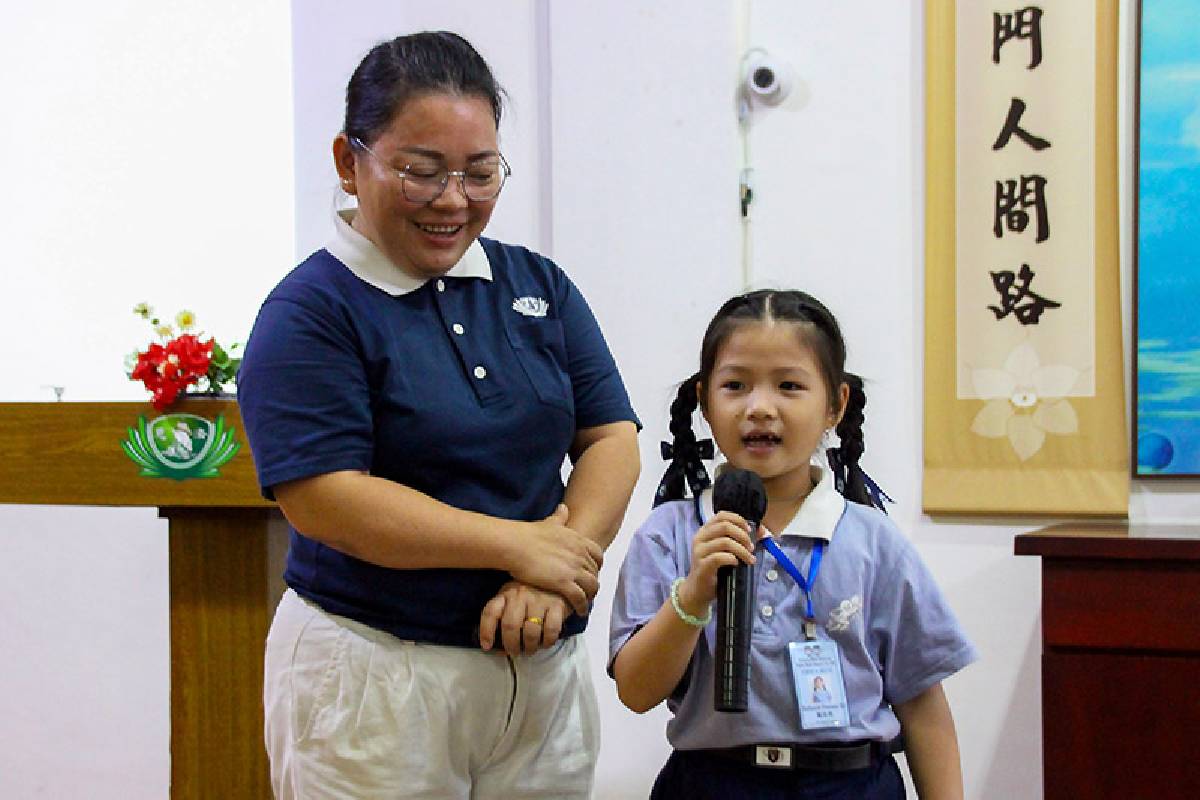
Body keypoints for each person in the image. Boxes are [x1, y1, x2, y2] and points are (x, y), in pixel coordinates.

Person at [238, 31, 640, 799]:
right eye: (421, 171)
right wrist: (522, 547)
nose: (454, 199)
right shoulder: (311, 310)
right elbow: (327, 497)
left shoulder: (537, 283)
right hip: (377, 676)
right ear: (349, 161)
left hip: (540, 672)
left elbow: (611, 437)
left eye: (480, 172)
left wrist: (558, 570)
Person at [609, 290, 977, 799]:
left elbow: (924, 707)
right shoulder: (669, 533)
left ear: (836, 405)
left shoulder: (873, 542)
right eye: (735, 385)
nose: (760, 408)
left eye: (789, 385)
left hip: (850, 783)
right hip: (711, 783)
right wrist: (693, 595)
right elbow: (635, 691)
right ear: (704, 403)